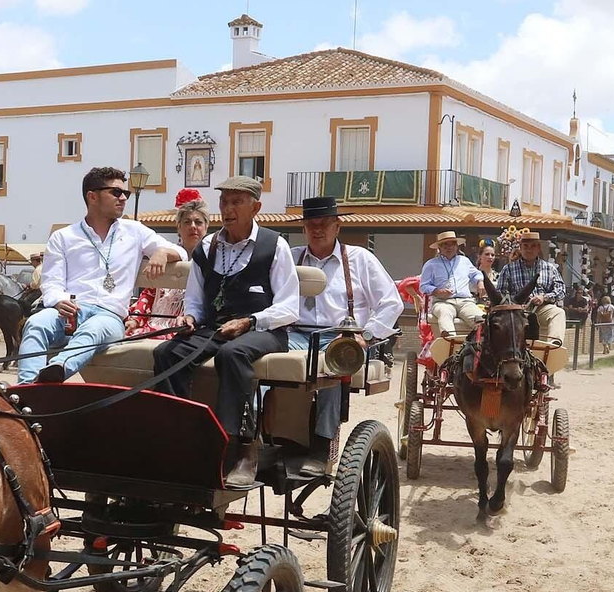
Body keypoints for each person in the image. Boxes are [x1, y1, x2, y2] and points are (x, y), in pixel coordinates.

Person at [152, 175, 299, 486]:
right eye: (224, 201)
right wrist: (189, 318)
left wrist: (250, 322)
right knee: (167, 352)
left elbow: (289, 308)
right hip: (215, 327)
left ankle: (242, 448)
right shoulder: (207, 247)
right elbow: (194, 298)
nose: (228, 208)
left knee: (233, 355)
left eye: (236, 202)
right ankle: (180, 437)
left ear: (255, 207)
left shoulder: (275, 245)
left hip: (265, 330)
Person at [19, 165, 185, 384]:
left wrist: (163, 252)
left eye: (126, 193)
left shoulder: (135, 231)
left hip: (110, 317)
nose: (123, 198)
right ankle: (26, 390)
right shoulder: (63, 237)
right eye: (116, 192)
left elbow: (181, 251)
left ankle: (55, 371)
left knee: (93, 330)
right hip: (70, 312)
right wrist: (59, 300)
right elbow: (51, 283)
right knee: (36, 323)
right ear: (92, 196)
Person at [290, 196, 404, 456]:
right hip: (296, 334)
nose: (317, 229)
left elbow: (391, 303)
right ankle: (263, 432)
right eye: (311, 224)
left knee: (331, 364)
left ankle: (322, 443)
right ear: (303, 228)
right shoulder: (292, 258)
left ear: (337, 227)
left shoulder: (360, 259)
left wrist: (365, 335)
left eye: (325, 223)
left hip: (341, 338)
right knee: (265, 359)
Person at [126, 191, 201, 335]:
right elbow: (150, 293)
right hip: (157, 322)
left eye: (198, 222)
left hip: (187, 326)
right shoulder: (167, 256)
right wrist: (135, 319)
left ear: (206, 226)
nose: (193, 226)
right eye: (187, 222)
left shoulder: (212, 260)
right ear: (178, 228)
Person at [493, 231, 566, 345]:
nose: (529, 250)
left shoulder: (549, 268)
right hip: (517, 311)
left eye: (533, 246)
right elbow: (500, 293)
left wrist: (544, 297)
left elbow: (561, 289)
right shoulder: (509, 269)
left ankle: (553, 345)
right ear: (520, 248)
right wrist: (514, 304)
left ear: (538, 248)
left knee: (558, 313)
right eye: (525, 246)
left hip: (541, 308)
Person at [419, 231, 485, 341]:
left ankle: (479, 347)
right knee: (444, 314)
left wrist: (480, 282)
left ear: (457, 246)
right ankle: (451, 346)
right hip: (442, 302)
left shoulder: (464, 261)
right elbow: (423, 286)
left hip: (465, 302)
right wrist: (437, 291)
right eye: (445, 244)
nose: (449, 247)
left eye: (452, 244)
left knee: (481, 320)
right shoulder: (431, 264)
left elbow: (476, 274)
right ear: (439, 247)